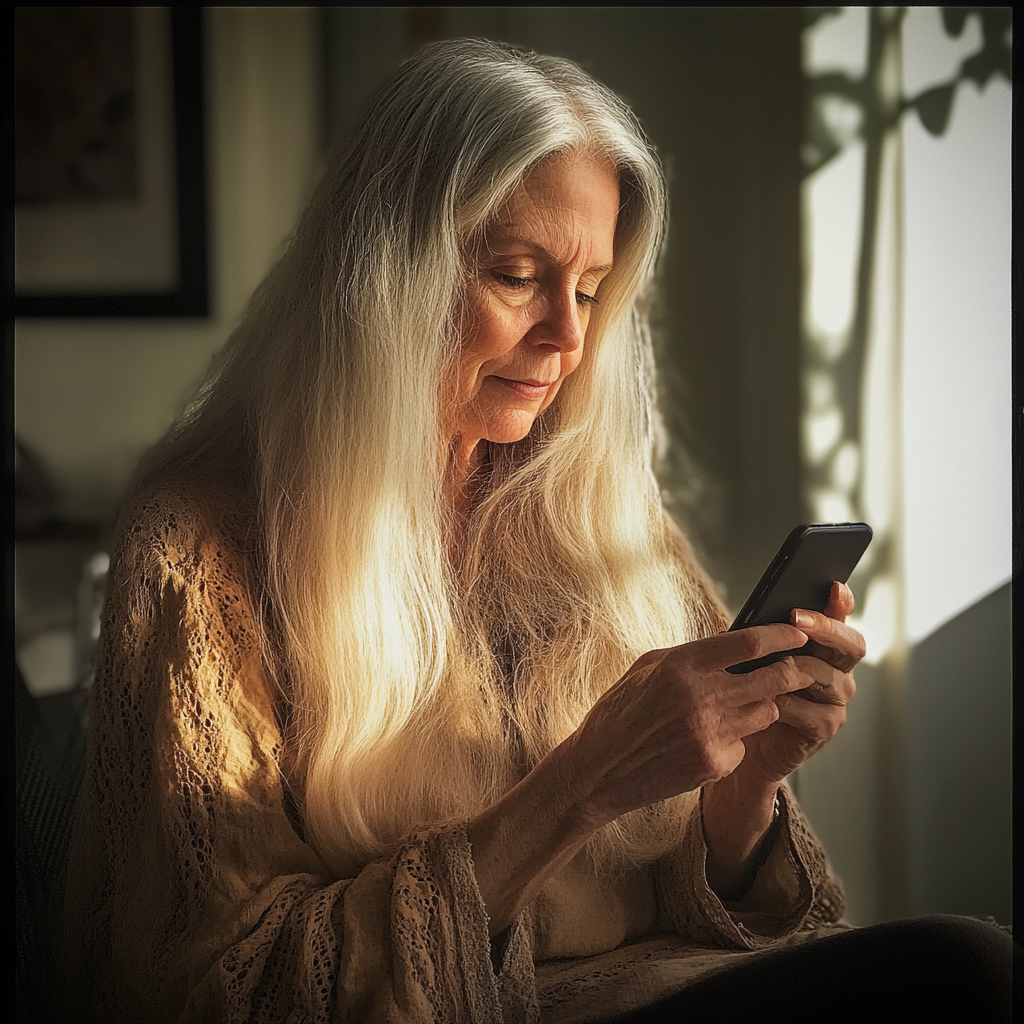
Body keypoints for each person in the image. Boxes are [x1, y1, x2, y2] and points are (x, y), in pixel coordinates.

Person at [64, 38, 1012, 1023]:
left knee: (973, 964)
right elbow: (223, 984)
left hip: (672, 986)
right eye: (518, 275)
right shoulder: (200, 546)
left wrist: (747, 792)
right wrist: (578, 786)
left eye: (593, 290)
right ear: (389, 276)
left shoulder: (595, 511)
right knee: (966, 972)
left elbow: (703, 896)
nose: (568, 334)